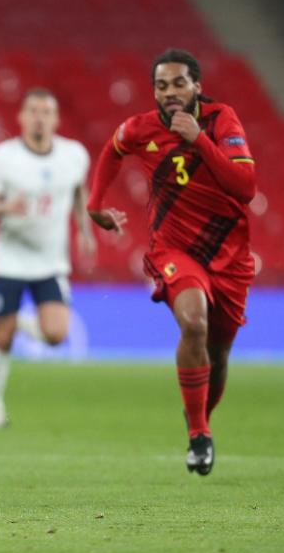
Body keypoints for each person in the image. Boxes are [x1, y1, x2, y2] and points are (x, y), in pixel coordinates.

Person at [87, 49, 256, 475]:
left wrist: (198, 138)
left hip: (229, 255)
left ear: (197, 86)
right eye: (161, 86)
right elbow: (112, 148)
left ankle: (198, 417)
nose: (170, 93)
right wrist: (95, 204)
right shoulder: (142, 129)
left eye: (179, 83)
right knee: (194, 323)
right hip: (174, 250)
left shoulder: (222, 121)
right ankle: (199, 435)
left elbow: (245, 187)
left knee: (217, 355)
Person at [0, 88, 96, 428]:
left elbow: (78, 190)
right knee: (1, 340)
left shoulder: (74, 155)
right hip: (9, 261)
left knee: (57, 335)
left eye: (46, 111)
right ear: (22, 117)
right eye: (34, 111)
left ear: (56, 119)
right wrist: (4, 207)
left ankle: (22, 322)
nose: (40, 117)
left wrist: (85, 228)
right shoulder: (3, 157)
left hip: (50, 262)